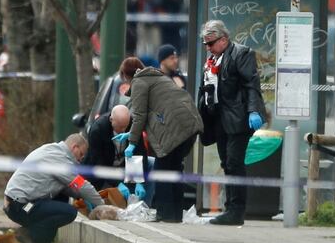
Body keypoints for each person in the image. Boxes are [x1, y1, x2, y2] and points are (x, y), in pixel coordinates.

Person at [115, 57, 202, 222]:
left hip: (173, 130)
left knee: (162, 171)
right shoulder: (159, 77)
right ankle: (176, 215)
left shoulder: (140, 82)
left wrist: (132, 143)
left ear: (126, 76)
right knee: (174, 169)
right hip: (190, 125)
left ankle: (166, 214)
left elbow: (139, 115)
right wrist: (131, 134)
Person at [199, 19, 265, 226]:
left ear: (224, 39)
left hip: (237, 117)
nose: (208, 48)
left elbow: (251, 85)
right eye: (206, 45)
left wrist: (253, 110)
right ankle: (231, 208)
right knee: (226, 162)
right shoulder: (212, 61)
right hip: (218, 118)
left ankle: (236, 210)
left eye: (211, 43)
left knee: (235, 162)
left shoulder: (241, 53)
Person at [4, 133, 104, 243]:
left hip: (16, 203)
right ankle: (31, 235)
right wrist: (102, 205)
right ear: (74, 147)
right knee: (69, 212)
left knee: (61, 197)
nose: (81, 159)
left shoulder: (51, 149)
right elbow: (82, 185)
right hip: (21, 206)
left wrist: (80, 196)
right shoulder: (60, 159)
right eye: (81, 154)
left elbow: (64, 186)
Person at [83, 104, 148, 201]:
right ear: (111, 120)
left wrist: (139, 181)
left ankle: (143, 205)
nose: (123, 131)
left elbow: (140, 152)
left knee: (150, 164)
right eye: (120, 127)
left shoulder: (133, 125)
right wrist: (117, 183)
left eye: (125, 127)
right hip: (103, 171)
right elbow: (98, 162)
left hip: (124, 167)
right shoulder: (98, 130)